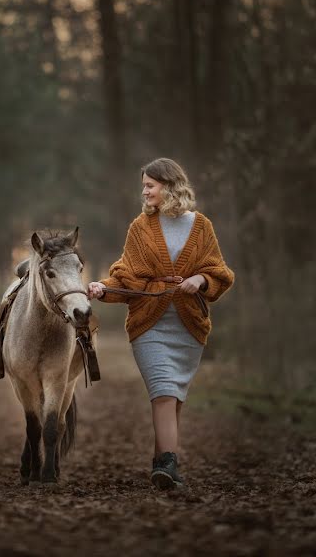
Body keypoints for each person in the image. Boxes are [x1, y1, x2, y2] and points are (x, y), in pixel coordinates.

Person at [87, 158, 234, 490]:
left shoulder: (202, 226)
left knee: (173, 398)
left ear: (169, 185)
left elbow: (220, 274)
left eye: (150, 185)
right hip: (149, 325)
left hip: (189, 327)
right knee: (164, 393)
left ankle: (161, 465)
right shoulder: (140, 227)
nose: (145, 191)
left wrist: (200, 279)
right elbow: (127, 275)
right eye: (144, 186)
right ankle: (170, 461)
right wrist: (103, 287)